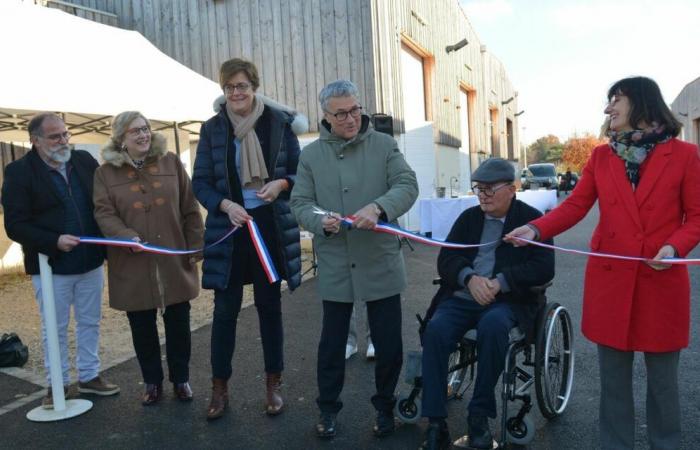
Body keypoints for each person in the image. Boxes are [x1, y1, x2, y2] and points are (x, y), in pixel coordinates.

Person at [506, 76, 700, 450]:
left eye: (616, 99)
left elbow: (696, 216)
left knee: (663, 387)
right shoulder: (601, 156)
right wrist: (534, 228)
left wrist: (674, 249)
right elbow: (576, 206)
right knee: (613, 387)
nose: (608, 108)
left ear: (641, 103)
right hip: (611, 286)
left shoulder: (686, 156)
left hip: (661, 281)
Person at [290, 79, 419, 439]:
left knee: (389, 341)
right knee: (332, 344)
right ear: (326, 117)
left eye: (355, 110)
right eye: (341, 113)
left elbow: (407, 185)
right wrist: (321, 222)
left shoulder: (384, 144)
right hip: (335, 260)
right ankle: (328, 409)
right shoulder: (311, 155)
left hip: (379, 258)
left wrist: (379, 208)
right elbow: (300, 203)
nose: (350, 118)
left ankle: (385, 408)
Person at [192, 58, 303, 421]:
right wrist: (224, 204)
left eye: (242, 86)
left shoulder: (279, 124)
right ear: (223, 91)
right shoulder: (212, 129)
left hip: (268, 225)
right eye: (229, 88)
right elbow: (201, 183)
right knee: (225, 313)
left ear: (254, 87)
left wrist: (282, 183)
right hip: (230, 227)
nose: (236, 93)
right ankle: (219, 388)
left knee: (270, 308)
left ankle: (273, 385)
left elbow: (298, 173)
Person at [418, 158, 554, 450]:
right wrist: (469, 279)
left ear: (512, 189)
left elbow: (544, 267)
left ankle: (479, 416)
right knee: (436, 329)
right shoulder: (469, 218)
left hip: (507, 301)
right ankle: (435, 422)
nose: (482, 195)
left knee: (493, 327)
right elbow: (447, 259)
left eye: (490, 189)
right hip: (464, 296)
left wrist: (500, 282)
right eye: (479, 189)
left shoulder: (533, 222)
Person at [1, 113, 119, 409]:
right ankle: (59, 384)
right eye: (55, 137)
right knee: (54, 327)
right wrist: (53, 240)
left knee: (89, 321)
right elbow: (15, 224)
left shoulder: (83, 162)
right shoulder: (18, 172)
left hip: (90, 260)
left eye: (65, 134)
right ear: (35, 141)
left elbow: (102, 204)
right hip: (51, 265)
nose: (63, 141)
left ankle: (90, 376)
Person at [93, 111, 203, 405]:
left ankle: (181, 379)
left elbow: (189, 207)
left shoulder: (171, 163)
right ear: (121, 139)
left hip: (172, 257)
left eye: (145, 129)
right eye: (134, 132)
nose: (143, 135)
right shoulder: (105, 173)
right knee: (141, 324)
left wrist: (195, 245)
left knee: (179, 322)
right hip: (132, 262)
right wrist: (123, 234)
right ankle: (152, 382)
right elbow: (103, 212)